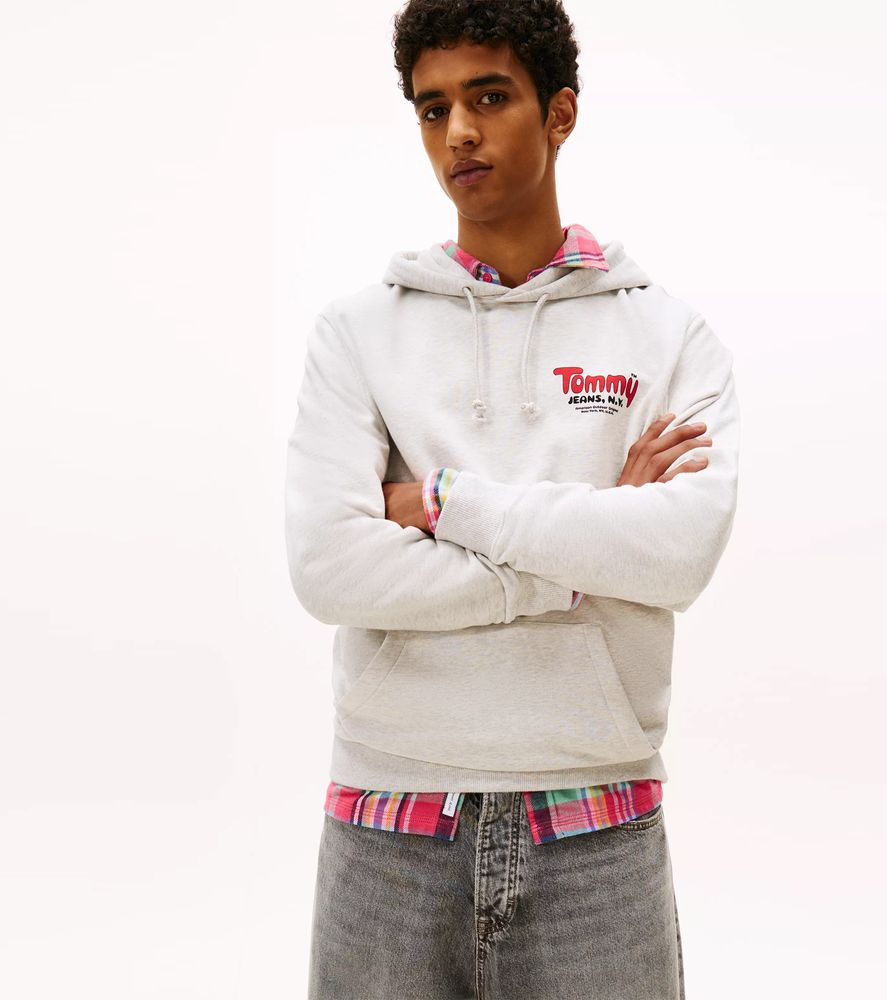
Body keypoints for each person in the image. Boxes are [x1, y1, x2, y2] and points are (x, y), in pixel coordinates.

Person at [283, 1, 740, 996]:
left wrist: (441, 499)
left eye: (488, 98)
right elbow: (329, 566)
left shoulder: (666, 336)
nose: (458, 132)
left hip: (597, 823)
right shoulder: (357, 335)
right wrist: (576, 560)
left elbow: (677, 553)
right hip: (390, 822)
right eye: (433, 107)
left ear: (559, 112)